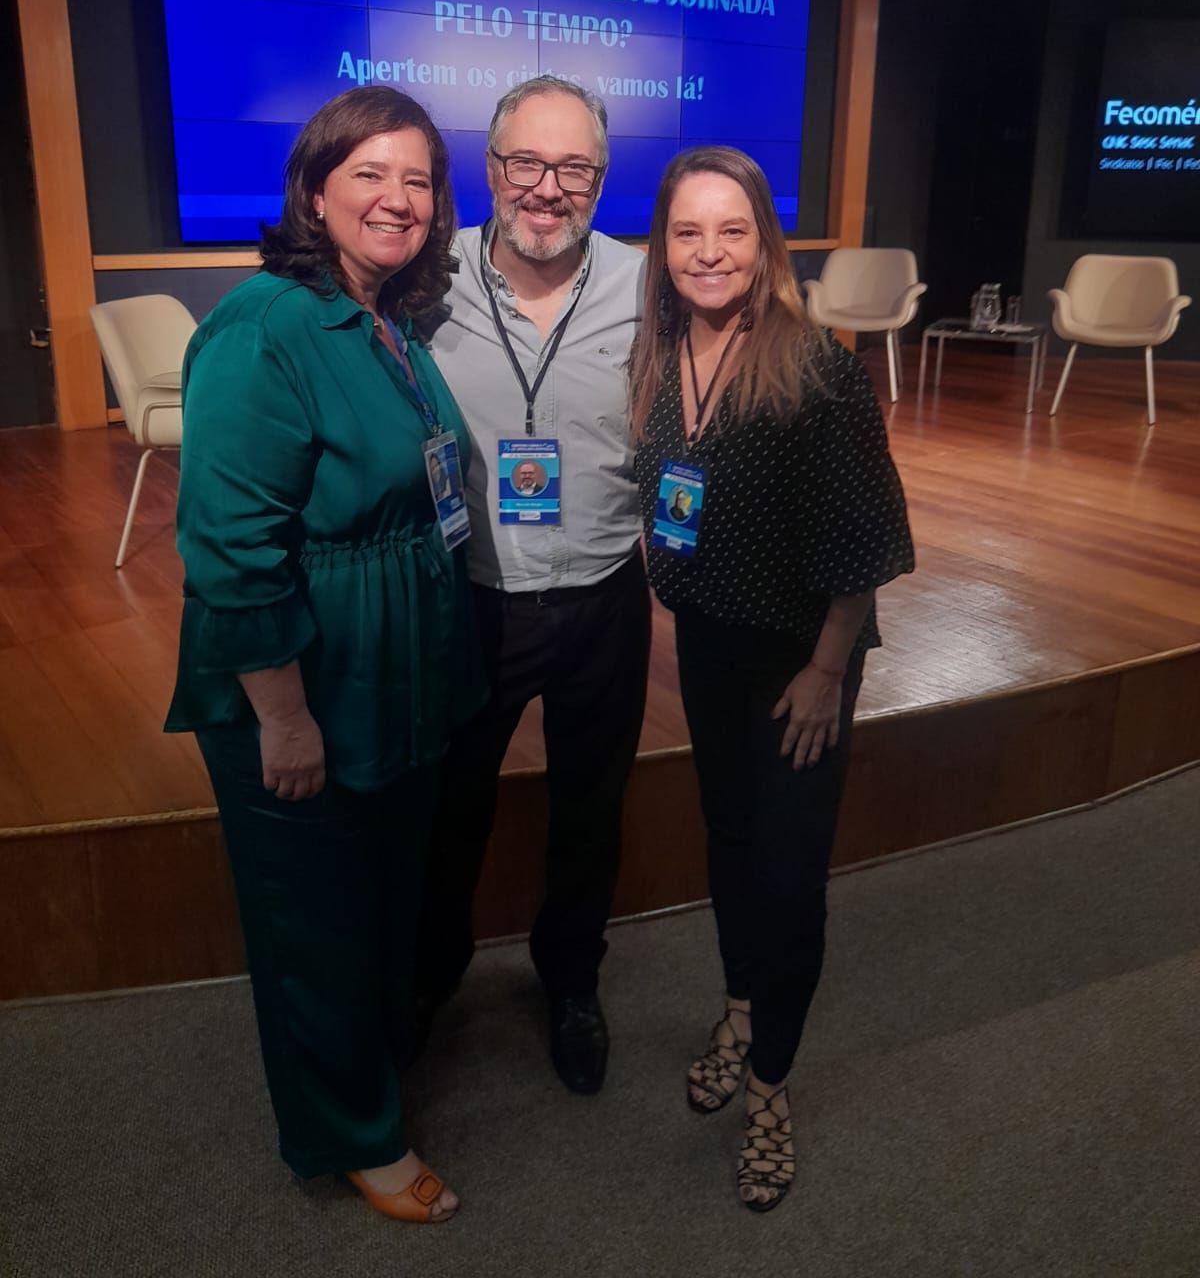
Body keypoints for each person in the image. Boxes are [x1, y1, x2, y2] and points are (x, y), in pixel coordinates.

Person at [165, 87, 485, 1225]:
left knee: (378, 899)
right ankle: (355, 1135)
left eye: (419, 180)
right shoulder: (262, 329)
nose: (399, 199)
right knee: (316, 922)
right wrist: (285, 718)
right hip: (302, 680)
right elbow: (230, 551)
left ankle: (372, 1071)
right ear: (312, 192)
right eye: (369, 174)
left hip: (393, 671)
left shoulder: (383, 318)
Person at [629, 147, 913, 1212]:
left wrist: (829, 670)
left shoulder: (815, 366)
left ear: (765, 243)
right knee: (732, 843)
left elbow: (867, 534)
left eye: (732, 230)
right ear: (663, 246)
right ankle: (742, 1008)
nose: (709, 252)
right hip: (709, 641)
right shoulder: (659, 351)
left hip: (802, 661)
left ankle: (770, 1087)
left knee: (790, 883)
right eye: (688, 232)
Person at [416, 76, 648, 1094]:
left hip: (604, 593)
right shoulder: (423, 278)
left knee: (591, 810)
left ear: (601, 177)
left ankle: (571, 979)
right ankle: (429, 977)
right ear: (490, 167)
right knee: (448, 808)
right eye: (527, 163)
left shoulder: (649, 285)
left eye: (575, 168)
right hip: (473, 594)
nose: (548, 188)